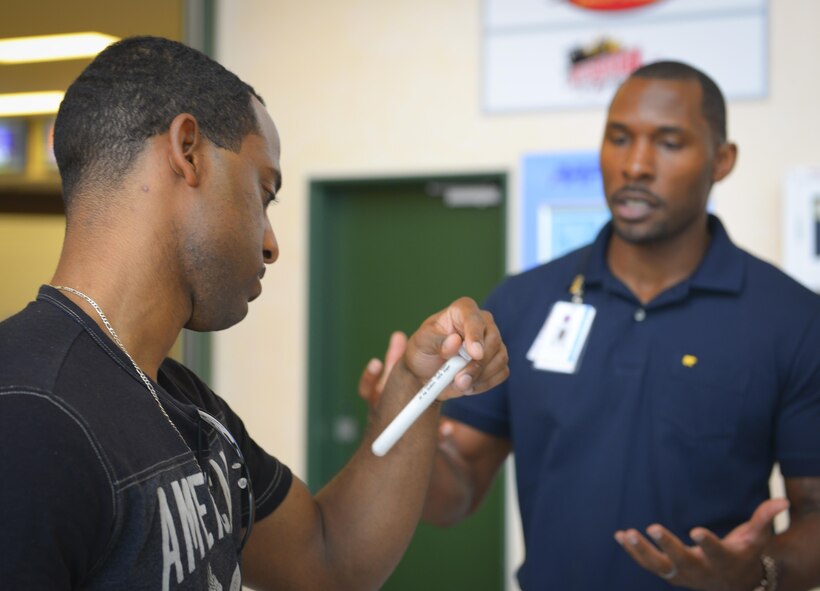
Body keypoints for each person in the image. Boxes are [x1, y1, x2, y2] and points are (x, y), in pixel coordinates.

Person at [0, 36, 509, 590]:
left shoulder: (181, 400)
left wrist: (415, 385)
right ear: (187, 151)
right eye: (263, 194)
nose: (270, 244)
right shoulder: (29, 415)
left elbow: (329, 559)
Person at [360, 61, 820, 590]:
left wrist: (761, 571)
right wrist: (402, 423)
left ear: (722, 160)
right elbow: (452, 497)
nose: (636, 165)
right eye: (618, 138)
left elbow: (813, 514)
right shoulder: (523, 302)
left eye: (669, 142)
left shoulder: (793, 319)